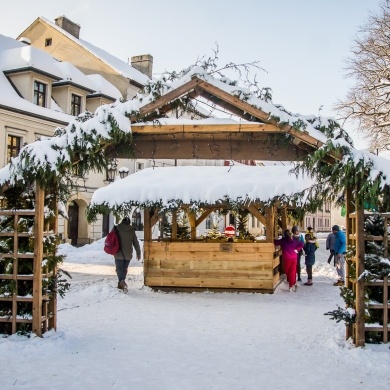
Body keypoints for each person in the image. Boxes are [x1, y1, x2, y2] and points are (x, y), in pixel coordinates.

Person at [114, 217, 141, 292]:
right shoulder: (131, 230)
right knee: (124, 269)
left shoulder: (117, 228)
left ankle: (122, 281)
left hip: (118, 252)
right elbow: (136, 243)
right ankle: (121, 284)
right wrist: (138, 253)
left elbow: (111, 238)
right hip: (128, 253)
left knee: (119, 268)